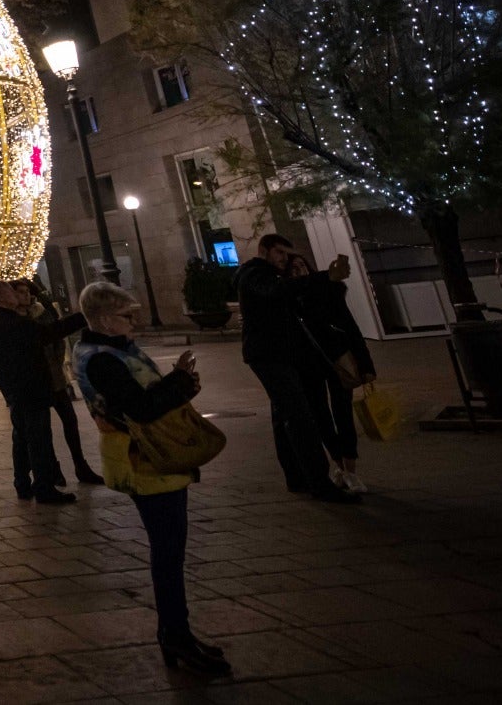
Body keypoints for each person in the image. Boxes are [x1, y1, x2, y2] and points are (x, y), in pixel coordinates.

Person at [74, 283, 231, 678]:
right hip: (143, 460)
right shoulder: (102, 359)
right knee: (168, 553)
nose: (136, 323)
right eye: (128, 316)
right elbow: (142, 409)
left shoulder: (111, 350)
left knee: (170, 551)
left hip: (149, 457)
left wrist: (179, 386)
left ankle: (177, 634)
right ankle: (175, 636)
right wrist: (178, 384)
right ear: (106, 319)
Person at [234, 234, 360, 503]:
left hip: (279, 355)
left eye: (286, 253)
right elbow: (276, 290)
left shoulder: (268, 276)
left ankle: (298, 478)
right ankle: (319, 483)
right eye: (279, 252)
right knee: (299, 417)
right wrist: (325, 276)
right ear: (264, 250)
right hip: (269, 356)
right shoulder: (254, 274)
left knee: (285, 418)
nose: (283, 259)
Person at [0, 279, 84, 503]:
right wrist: (83, 316)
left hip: (14, 391)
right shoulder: (12, 321)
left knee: (21, 438)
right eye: (9, 290)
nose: (14, 293)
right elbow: (49, 333)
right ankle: (45, 488)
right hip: (30, 389)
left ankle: (22, 484)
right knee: (39, 440)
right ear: (1, 297)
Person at [289, 251, 375, 493]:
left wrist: (366, 365)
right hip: (308, 363)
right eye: (293, 270)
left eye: (301, 267)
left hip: (337, 359)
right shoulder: (290, 299)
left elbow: (350, 328)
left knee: (343, 412)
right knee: (320, 414)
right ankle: (337, 464)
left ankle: (351, 469)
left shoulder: (329, 291)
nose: (299, 272)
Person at [25, 279, 103, 487]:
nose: (24, 297)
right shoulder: (19, 320)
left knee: (70, 421)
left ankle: (80, 465)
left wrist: (59, 364)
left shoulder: (42, 312)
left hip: (55, 377)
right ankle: (54, 470)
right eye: (20, 293)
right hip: (37, 380)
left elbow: (57, 338)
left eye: (27, 293)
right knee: (43, 430)